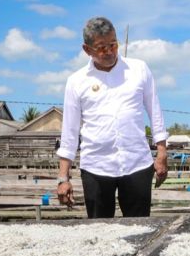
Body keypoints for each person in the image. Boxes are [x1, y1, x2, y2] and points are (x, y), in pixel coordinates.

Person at [56, 16, 168, 218]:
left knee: (140, 227)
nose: (109, 52)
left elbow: (155, 112)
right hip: (96, 167)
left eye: (113, 44)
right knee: (100, 231)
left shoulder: (139, 69)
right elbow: (70, 133)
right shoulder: (76, 82)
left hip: (137, 164)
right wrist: (63, 178)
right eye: (101, 48)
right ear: (87, 50)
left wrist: (161, 153)